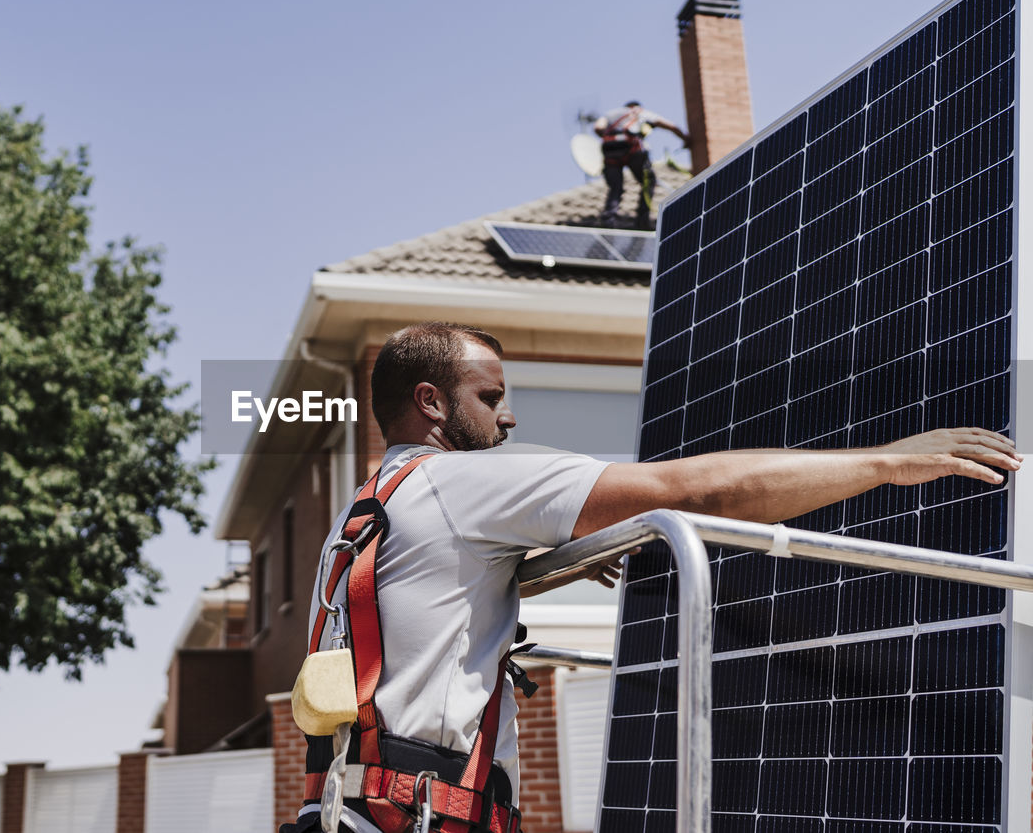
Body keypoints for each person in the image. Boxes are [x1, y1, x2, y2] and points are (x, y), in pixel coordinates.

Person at [291, 321, 1020, 833]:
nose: (508, 417)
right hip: (415, 817)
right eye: (490, 397)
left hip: (346, 810)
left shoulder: (365, 511)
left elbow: (436, 597)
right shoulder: (463, 480)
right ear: (431, 402)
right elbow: (693, 490)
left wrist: (539, 564)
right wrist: (891, 462)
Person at [595, 101, 690, 229]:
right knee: (648, 181)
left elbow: (598, 128)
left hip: (610, 152)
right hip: (633, 150)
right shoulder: (640, 113)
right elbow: (671, 126)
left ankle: (608, 220)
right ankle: (642, 221)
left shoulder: (610, 114)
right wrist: (685, 138)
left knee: (615, 187)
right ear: (636, 107)